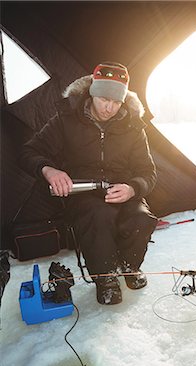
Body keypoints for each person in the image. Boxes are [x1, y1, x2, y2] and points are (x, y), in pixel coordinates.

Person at [19, 62, 158, 305]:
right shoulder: (66, 119)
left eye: (116, 102)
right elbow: (29, 152)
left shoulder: (134, 126)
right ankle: (106, 278)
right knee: (99, 216)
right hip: (83, 193)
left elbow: (149, 172)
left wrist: (133, 188)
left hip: (121, 190)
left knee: (142, 218)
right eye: (104, 99)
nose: (109, 108)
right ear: (93, 92)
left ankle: (129, 266)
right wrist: (49, 170)